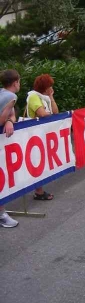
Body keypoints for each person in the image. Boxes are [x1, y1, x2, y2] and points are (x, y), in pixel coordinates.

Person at [26, 74, 58, 200]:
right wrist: (48, 111)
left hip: (41, 133)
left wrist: (51, 97)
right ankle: (38, 191)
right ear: (44, 87)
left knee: (40, 161)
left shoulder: (45, 97)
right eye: (49, 86)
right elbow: (43, 113)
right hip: (33, 134)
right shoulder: (34, 96)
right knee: (36, 161)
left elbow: (55, 112)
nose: (50, 88)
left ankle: (39, 190)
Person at [0, 69, 20, 228]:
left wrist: (10, 122)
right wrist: (6, 121)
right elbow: (1, 119)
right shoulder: (12, 96)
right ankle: (1, 216)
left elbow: (11, 116)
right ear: (15, 83)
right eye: (19, 81)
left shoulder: (3, 93)